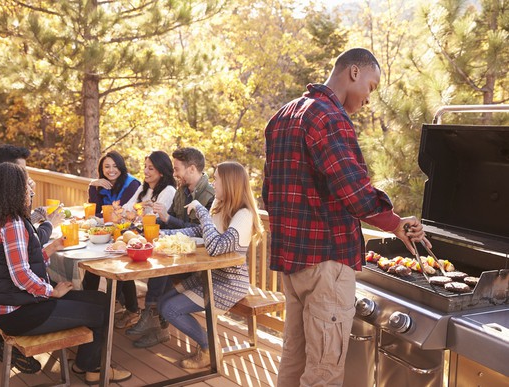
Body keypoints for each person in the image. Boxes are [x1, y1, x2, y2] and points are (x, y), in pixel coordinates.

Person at [261, 48, 430, 387]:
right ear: (354, 72)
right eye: (372, 86)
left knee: (294, 357)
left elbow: (270, 192)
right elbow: (353, 190)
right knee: (323, 370)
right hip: (325, 263)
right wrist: (395, 224)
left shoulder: (282, 115)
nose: (369, 98)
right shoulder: (329, 117)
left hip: (293, 263)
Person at [0, 162, 132, 384]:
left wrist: (52, 248)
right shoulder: (13, 224)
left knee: (101, 300)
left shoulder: (0, 219)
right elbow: (21, 275)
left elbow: (18, 262)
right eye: (26, 187)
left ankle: (85, 365)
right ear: (12, 191)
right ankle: (93, 369)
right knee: (104, 311)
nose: (31, 191)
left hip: (18, 303)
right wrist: (52, 292)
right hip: (20, 313)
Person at [0, 144, 63, 373]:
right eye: (22, 173)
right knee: (48, 289)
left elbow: (22, 232)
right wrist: (47, 224)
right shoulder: (0, 207)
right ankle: (2, 339)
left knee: (43, 285)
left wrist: (29, 199)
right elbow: (29, 241)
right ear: (5, 171)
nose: (27, 177)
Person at [158, 161, 263, 369]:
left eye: (217, 179)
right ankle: (208, 345)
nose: (213, 184)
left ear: (230, 183)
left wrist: (201, 210)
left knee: (170, 309)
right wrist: (160, 235)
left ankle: (209, 348)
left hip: (229, 283)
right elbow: (200, 232)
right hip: (208, 276)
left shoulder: (244, 215)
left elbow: (216, 247)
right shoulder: (220, 204)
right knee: (163, 302)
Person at [126, 147, 215, 348]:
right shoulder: (183, 191)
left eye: (177, 169)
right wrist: (153, 222)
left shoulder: (211, 197)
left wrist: (168, 218)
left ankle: (153, 318)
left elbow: (202, 231)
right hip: (180, 252)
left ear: (192, 169)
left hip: (200, 259)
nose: (174, 174)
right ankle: (155, 323)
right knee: (155, 259)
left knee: (159, 268)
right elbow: (172, 222)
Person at [112, 150, 177, 329]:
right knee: (116, 262)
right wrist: (137, 211)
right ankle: (129, 307)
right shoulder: (144, 188)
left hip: (157, 241)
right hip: (137, 238)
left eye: (151, 168)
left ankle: (147, 314)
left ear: (162, 171)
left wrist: (135, 213)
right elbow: (125, 209)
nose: (146, 172)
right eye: (145, 167)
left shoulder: (169, 190)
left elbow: (153, 220)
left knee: (123, 264)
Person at [83, 151, 141, 323]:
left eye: (115, 166)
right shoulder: (102, 184)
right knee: (92, 263)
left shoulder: (132, 184)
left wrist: (100, 216)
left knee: (117, 267)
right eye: (106, 166)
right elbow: (94, 212)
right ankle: (89, 305)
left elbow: (119, 213)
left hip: (127, 232)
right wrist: (93, 185)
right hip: (107, 233)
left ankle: (126, 308)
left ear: (121, 167)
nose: (111, 170)